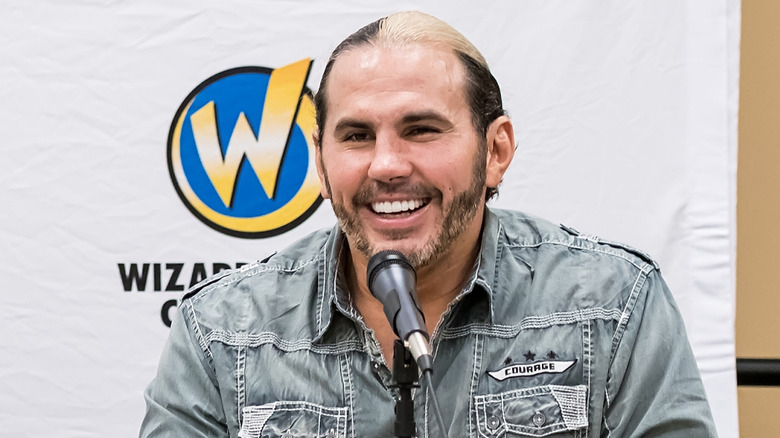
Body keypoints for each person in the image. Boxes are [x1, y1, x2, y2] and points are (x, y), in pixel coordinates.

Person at [140, 11, 717, 437]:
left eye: (421, 129)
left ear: (496, 150)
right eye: (356, 136)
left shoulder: (613, 304)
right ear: (319, 160)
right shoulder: (220, 329)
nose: (387, 165)